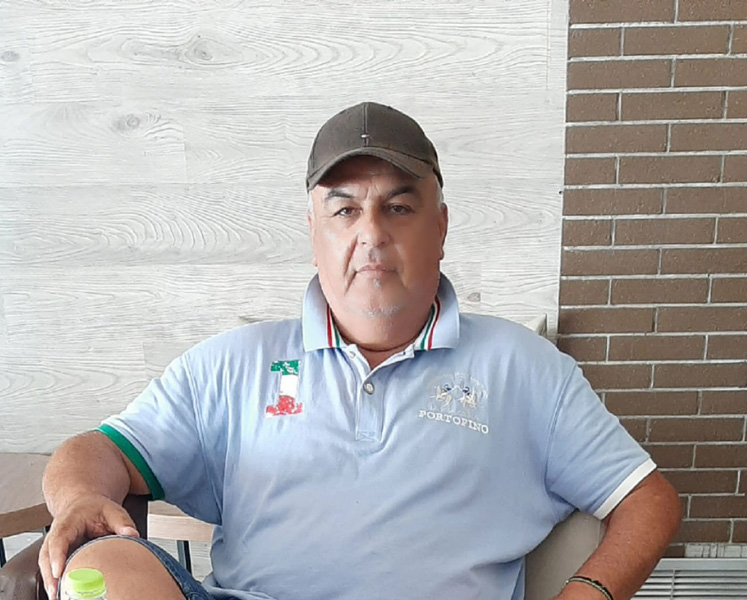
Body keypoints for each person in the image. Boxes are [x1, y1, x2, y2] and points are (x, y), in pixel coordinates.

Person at [39, 102, 681, 600]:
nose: (371, 234)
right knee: (104, 566)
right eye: (344, 211)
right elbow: (97, 451)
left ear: (440, 227)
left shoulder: (528, 370)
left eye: (398, 207)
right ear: (313, 231)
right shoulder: (231, 366)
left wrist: (586, 592)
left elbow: (647, 499)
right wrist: (77, 499)